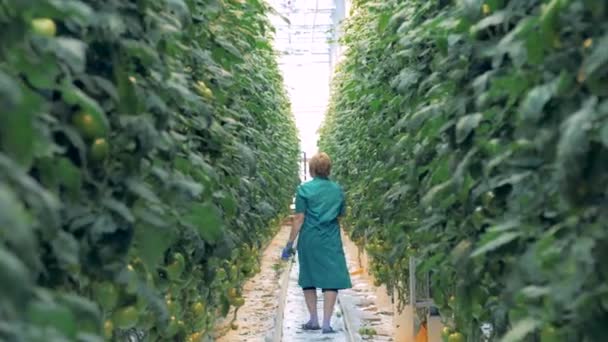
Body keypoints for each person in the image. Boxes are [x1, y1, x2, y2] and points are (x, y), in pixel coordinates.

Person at [281, 152, 352, 334]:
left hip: (309, 239)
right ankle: (327, 324)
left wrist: (289, 244)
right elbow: (341, 214)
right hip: (330, 238)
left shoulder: (304, 190)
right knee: (331, 279)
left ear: (311, 169)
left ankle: (313, 319)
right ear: (329, 169)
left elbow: (298, 218)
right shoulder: (337, 190)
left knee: (309, 277)